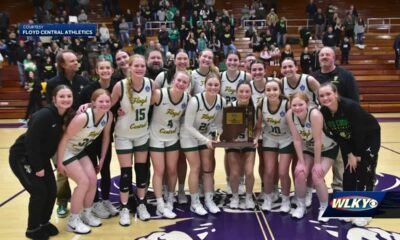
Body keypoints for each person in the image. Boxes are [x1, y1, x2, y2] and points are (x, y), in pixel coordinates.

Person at [9, 85, 73, 240]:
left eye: (69, 96)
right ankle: (32, 229)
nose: (66, 99)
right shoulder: (44, 115)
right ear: (54, 99)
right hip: (23, 157)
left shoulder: (63, 115)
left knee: (51, 191)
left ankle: (44, 222)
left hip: (41, 158)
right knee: (39, 192)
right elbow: (31, 143)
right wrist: (38, 167)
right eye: (62, 96)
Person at [318, 82, 380, 226]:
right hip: (351, 142)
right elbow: (338, 136)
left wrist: (357, 155)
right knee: (348, 173)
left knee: (364, 172)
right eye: (322, 96)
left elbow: (359, 131)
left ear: (336, 94)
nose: (325, 98)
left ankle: (366, 211)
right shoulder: (324, 112)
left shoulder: (350, 107)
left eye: (328, 94)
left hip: (368, 137)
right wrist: (349, 154)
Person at [57, 89, 113, 234]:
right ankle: (73, 221)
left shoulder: (109, 115)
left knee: (93, 180)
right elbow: (64, 138)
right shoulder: (83, 117)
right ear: (93, 103)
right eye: (101, 101)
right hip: (66, 150)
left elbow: (106, 137)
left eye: (107, 101)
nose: (105, 104)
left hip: (79, 150)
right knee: (83, 182)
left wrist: (101, 158)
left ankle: (86, 214)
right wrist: (59, 162)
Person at [111, 54, 155, 226]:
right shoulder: (120, 85)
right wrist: (116, 112)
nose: (139, 69)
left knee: (142, 171)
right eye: (136, 66)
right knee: (126, 173)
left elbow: (159, 102)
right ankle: (123, 207)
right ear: (129, 67)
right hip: (123, 136)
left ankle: (142, 203)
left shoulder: (151, 84)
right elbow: (109, 105)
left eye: (142, 66)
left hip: (142, 134)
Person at [46, 50, 89, 218]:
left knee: (85, 168)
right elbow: (49, 108)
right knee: (62, 169)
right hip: (59, 133)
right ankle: (62, 200)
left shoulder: (83, 81)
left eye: (76, 59)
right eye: (72, 61)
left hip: (80, 133)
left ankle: (86, 197)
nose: (76, 62)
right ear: (62, 64)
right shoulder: (52, 83)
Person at [312, 46, 360, 192]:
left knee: (340, 157)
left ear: (334, 57)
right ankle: (319, 185)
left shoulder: (346, 75)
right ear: (318, 58)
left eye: (328, 54)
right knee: (322, 153)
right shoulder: (313, 77)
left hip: (341, 122)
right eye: (322, 55)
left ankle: (339, 187)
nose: (324, 57)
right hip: (321, 123)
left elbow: (355, 101)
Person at [286, 92, 338, 222]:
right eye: (294, 105)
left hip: (327, 148)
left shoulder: (314, 114)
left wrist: (317, 163)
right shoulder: (290, 115)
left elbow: (318, 140)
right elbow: (297, 140)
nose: (297, 108)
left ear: (307, 104)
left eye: (300, 104)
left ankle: (325, 208)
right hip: (308, 148)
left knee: (316, 175)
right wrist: (302, 162)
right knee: (299, 172)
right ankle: (301, 205)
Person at [79, 59, 119, 219]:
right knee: (91, 172)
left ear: (112, 70)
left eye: (107, 68)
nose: (104, 70)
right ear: (96, 70)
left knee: (105, 169)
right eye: (101, 68)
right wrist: (83, 106)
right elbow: (80, 108)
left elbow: (120, 105)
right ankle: (94, 202)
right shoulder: (89, 89)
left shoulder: (116, 86)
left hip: (106, 135)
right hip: (89, 138)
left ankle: (106, 200)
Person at [181, 72, 225, 216]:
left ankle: (209, 200)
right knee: (196, 167)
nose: (213, 87)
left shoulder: (221, 101)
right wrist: (206, 140)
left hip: (205, 135)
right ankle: (195, 203)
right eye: (210, 84)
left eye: (216, 85)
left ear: (220, 86)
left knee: (208, 168)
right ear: (204, 85)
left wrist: (215, 135)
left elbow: (218, 124)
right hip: (189, 135)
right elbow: (187, 125)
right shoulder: (195, 101)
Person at [150, 71, 191, 218]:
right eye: (179, 80)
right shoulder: (159, 94)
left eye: (184, 82)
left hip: (173, 137)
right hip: (156, 137)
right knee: (159, 170)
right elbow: (140, 105)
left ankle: (170, 199)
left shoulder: (187, 98)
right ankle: (160, 203)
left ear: (188, 85)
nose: (181, 84)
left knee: (172, 170)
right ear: (173, 80)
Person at [255, 80, 293, 212]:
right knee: (269, 171)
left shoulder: (287, 104)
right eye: (268, 90)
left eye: (275, 89)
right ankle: (268, 198)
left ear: (280, 91)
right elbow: (259, 126)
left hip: (286, 138)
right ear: (264, 91)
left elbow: (294, 125)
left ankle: (286, 200)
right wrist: (255, 138)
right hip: (269, 137)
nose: (272, 92)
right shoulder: (261, 104)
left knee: (283, 172)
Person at [226, 82, 258, 209]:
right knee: (234, 173)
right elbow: (225, 128)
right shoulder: (230, 107)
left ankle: (249, 197)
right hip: (233, 143)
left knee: (249, 172)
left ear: (251, 93)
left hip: (248, 143)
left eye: (247, 92)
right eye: (241, 91)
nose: (244, 94)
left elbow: (258, 127)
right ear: (236, 93)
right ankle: (235, 197)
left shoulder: (255, 108)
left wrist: (255, 138)